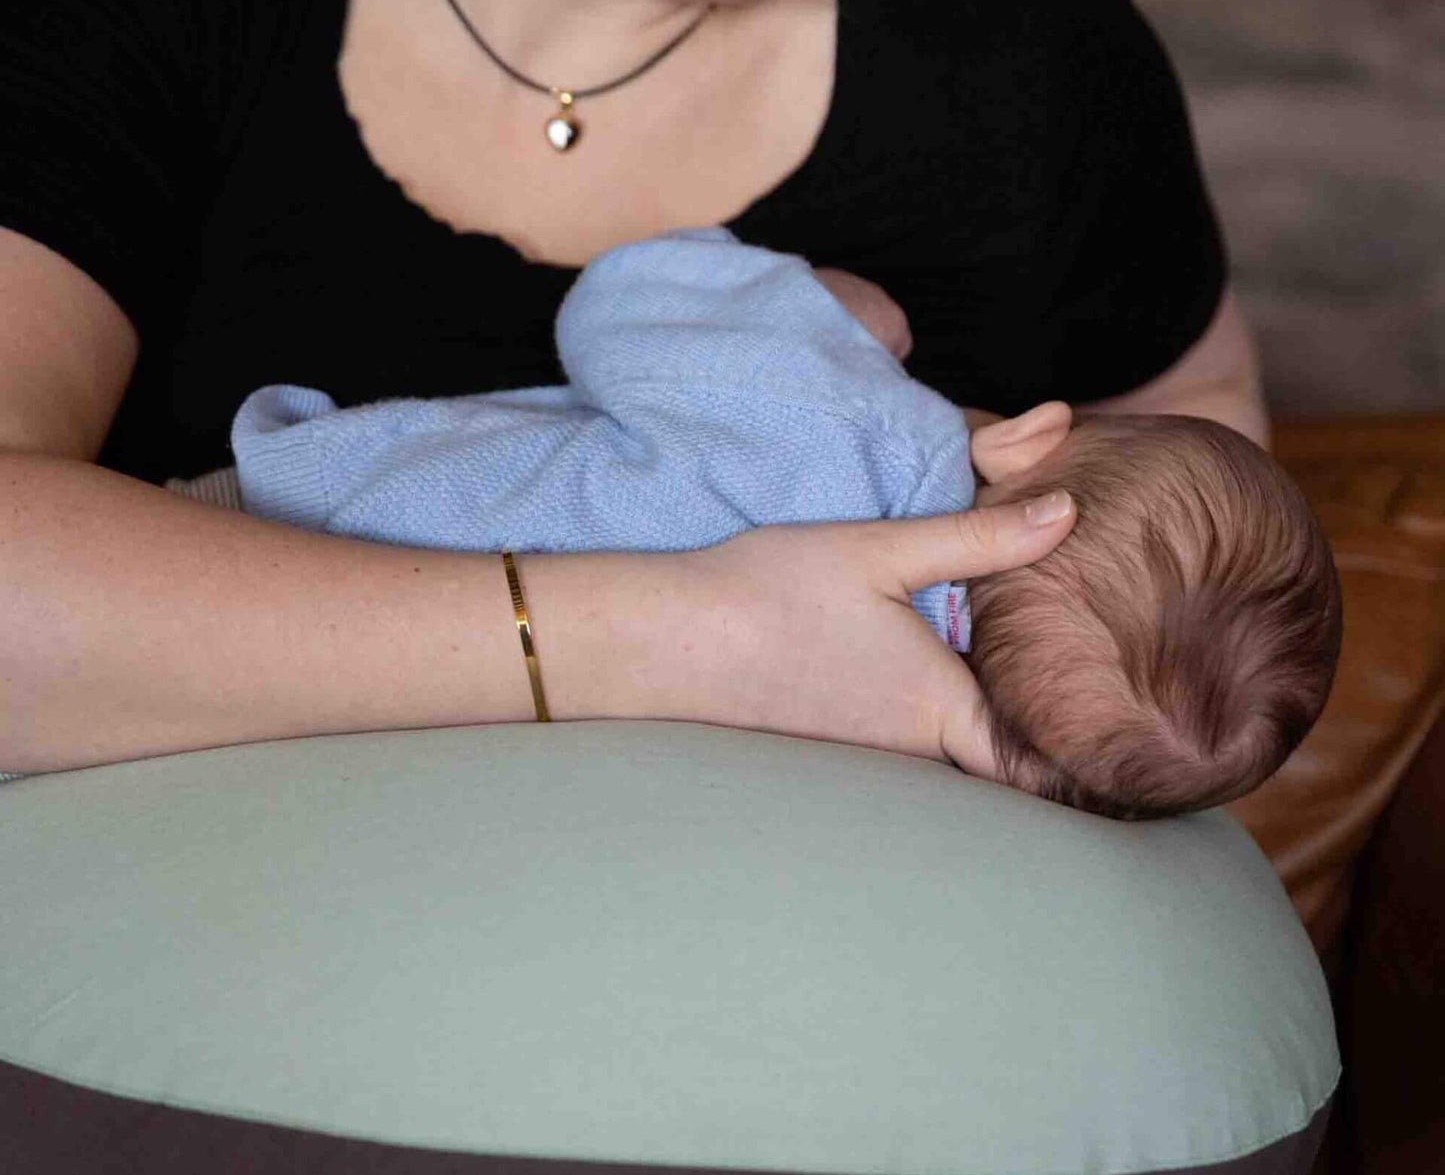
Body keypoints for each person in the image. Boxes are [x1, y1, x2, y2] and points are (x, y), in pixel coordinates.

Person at [0, 0, 1272, 1175]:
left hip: (804, 1117)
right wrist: (691, 640)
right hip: (212, 1050)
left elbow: (1211, 519)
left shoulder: (1032, 59)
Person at [174, 227, 1339, 820]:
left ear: (1033, 438)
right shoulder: (881, 717)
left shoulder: (832, 412)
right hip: (377, 736)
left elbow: (620, 303)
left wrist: (814, 307)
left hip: (296, 518)